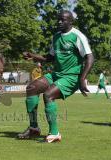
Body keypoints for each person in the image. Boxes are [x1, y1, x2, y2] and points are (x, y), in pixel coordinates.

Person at [17, 10, 94, 143]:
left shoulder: (77, 36)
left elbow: (90, 57)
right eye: (58, 19)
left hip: (72, 77)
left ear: (71, 21)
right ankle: (34, 128)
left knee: (48, 95)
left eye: (63, 20)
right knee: (32, 88)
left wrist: (82, 79)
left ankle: (54, 133)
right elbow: (50, 57)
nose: (59, 22)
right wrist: (33, 55)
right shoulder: (56, 36)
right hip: (57, 74)